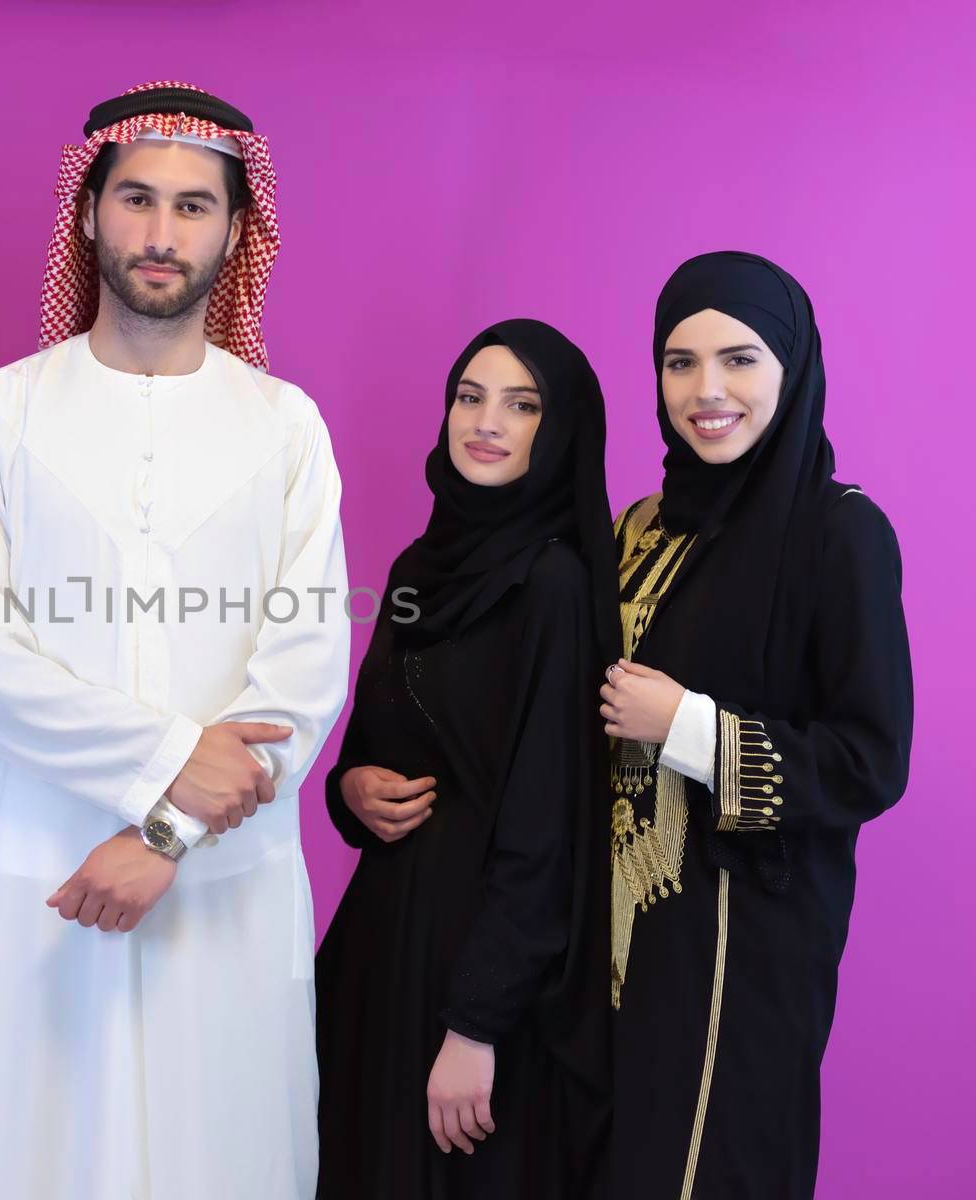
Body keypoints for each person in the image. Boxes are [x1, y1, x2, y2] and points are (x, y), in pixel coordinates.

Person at [0, 82, 350, 1199]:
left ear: (237, 231)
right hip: (46, 875)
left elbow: (299, 679)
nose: (162, 235)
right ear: (87, 213)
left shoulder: (285, 425)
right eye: (138, 200)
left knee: (228, 1158)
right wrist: (170, 760)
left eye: (195, 207)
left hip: (224, 885)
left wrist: (161, 832)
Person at [599, 251, 913, 1198]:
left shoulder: (837, 531)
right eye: (679, 362)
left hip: (749, 937)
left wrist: (687, 724)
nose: (707, 391)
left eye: (739, 359)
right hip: (621, 930)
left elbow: (870, 759)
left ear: (792, 366)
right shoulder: (642, 525)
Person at [315, 321, 616, 1198]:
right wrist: (350, 789)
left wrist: (477, 1024)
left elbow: (547, 823)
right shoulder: (420, 565)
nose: (486, 422)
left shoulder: (554, 585)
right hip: (382, 946)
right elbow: (370, 746)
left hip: (481, 975)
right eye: (470, 396)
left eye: (522, 405)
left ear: (557, 431)